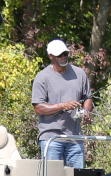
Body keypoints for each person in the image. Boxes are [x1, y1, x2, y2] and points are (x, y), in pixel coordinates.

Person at [31, 39, 93, 168]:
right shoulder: (42, 77)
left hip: (75, 137)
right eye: (60, 55)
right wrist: (63, 105)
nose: (64, 57)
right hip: (51, 137)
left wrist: (86, 112)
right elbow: (39, 108)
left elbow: (87, 97)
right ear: (50, 56)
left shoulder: (79, 73)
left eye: (65, 54)